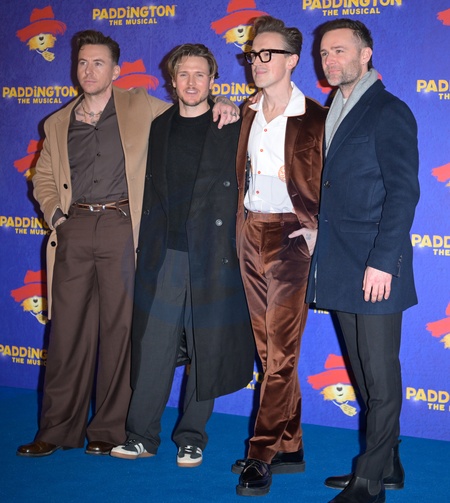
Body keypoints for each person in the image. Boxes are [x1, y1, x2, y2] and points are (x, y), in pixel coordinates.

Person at [17, 30, 239, 458]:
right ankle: (56, 429)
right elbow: (42, 175)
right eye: (83, 62)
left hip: (123, 227)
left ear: (116, 70)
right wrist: (56, 215)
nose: (89, 70)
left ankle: (108, 429)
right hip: (75, 227)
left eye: (99, 63)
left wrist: (226, 103)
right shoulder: (57, 122)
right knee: (66, 333)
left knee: (121, 332)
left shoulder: (141, 106)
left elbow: (194, 107)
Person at [110, 43, 255, 467]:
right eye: (184, 74)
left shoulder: (232, 124)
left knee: (206, 348)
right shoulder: (160, 126)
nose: (192, 82)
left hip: (212, 255)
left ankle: (192, 437)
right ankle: (141, 435)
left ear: (213, 81)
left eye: (200, 75)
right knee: (153, 347)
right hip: (165, 255)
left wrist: (230, 105)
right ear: (172, 81)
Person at [306, 19, 419, 503]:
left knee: (380, 374)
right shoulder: (333, 110)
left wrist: (383, 260)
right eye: (324, 53)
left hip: (375, 264)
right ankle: (387, 462)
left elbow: (403, 192)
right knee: (362, 372)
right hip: (340, 261)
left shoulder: (388, 110)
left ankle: (370, 481)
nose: (330, 60)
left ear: (365, 54)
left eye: (339, 50)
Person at [231, 16, 327, 497]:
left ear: (292, 60)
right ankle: (290, 446)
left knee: (282, 351)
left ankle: (261, 452)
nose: (257, 61)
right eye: (253, 54)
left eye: (267, 54)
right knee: (269, 351)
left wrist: (318, 227)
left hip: (292, 238)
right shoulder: (244, 111)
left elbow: (341, 178)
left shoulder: (317, 117)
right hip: (250, 231)